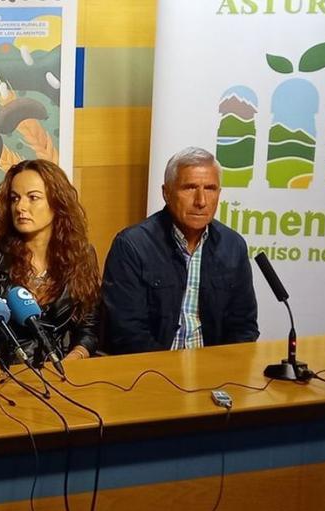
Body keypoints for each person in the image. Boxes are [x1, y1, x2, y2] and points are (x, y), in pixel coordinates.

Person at [102, 146, 259, 355]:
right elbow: (127, 332)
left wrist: (223, 369)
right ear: (166, 193)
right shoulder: (132, 246)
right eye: (189, 188)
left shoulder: (233, 246)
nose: (201, 201)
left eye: (210, 189)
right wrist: (173, 374)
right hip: (150, 371)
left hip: (214, 370)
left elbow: (244, 327)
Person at [0, 159, 100, 369]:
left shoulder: (82, 255)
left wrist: (74, 359)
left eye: (33, 198)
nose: (20, 207)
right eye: (14, 198)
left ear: (57, 202)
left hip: (63, 376)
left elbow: (89, 328)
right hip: (2, 382)